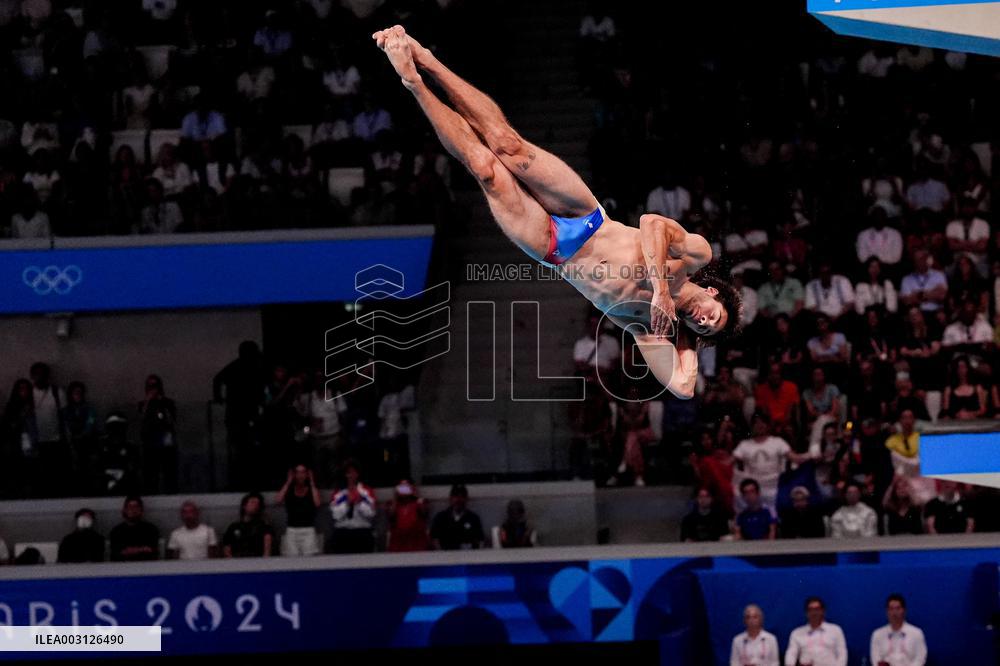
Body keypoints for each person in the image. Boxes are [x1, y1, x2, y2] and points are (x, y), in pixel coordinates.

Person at [373, 27, 741, 399]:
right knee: (505, 143)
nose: (706, 320)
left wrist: (689, 343)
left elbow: (683, 388)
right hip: (588, 217)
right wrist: (662, 289)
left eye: (707, 328)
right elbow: (652, 223)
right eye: (715, 314)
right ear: (713, 291)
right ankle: (428, 59)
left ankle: (413, 80)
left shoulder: (648, 327)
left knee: (484, 168)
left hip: (553, 249)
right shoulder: (696, 257)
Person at [732, 412, 809, 510]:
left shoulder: (778, 442)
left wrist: (812, 454)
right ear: (752, 426)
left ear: (767, 425)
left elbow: (795, 458)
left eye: (762, 422)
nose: (760, 425)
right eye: (756, 423)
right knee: (737, 494)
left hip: (775, 486)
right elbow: (729, 462)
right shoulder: (744, 444)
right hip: (754, 488)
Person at [138, 374, 178, 495]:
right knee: (150, 472)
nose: (152, 388)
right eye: (150, 386)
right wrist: (148, 400)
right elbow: (142, 416)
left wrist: (162, 401)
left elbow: (172, 419)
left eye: (154, 385)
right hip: (150, 441)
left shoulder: (168, 402)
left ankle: (171, 494)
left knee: (169, 472)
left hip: (166, 441)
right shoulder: (143, 403)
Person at [329, 461, 376, 554]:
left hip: (363, 533)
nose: (351, 475)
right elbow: (335, 516)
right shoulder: (338, 493)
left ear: (358, 474)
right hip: (342, 534)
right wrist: (347, 503)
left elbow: (371, 514)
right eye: (348, 473)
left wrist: (359, 502)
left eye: (353, 472)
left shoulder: (367, 491)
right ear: (345, 475)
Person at [784, 597, 848, 666]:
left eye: (817, 609)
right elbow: (791, 653)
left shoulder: (835, 630)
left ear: (823, 611)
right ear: (806, 613)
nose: (814, 613)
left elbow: (842, 653)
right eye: (810, 610)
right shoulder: (796, 633)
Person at [869, 593, 928, 666]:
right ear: (887, 611)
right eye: (891, 609)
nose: (894, 613)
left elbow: (920, 659)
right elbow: (875, 660)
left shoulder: (916, 633)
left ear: (904, 610)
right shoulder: (877, 634)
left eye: (898, 608)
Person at [276, 464, 321, 556]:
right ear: (294, 474)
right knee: (292, 560)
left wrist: (312, 482)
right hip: (292, 529)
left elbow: (317, 503)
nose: (300, 475)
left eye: (303, 472)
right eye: (298, 472)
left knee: (310, 560)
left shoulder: (312, 490)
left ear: (307, 474)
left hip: (308, 529)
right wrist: (288, 482)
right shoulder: (289, 490)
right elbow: (278, 500)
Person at [430, 484, 485, 550]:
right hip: (445, 556)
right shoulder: (441, 517)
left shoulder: (473, 518)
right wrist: (441, 554)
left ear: (466, 499)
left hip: (468, 556)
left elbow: (480, 540)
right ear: (450, 498)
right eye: (455, 496)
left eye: (462, 496)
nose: (458, 499)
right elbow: (434, 539)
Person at [223, 492, 274, 558]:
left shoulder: (265, 527)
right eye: (252, 503)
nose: (255, 506)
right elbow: (227, 549)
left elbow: (267, 552)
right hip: (236, 563)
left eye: (258, 504)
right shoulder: (233, 527)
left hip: (257, 562)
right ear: (244, 506)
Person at [109, 496, 160, 562]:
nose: (133, 509)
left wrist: (129, 550)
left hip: (146, 567)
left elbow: (151, 551)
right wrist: (141, 549)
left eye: (136, 507)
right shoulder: (116, 531)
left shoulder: (151, 529)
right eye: (129, 506)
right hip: (122, 567)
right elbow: (117, 553)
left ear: (141, 510)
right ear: (124, 510)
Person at [386, 479, 430, 552]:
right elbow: (390, 515)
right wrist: (395, 498)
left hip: (416, 538)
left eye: (406, 487)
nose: (404, 490)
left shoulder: (420, 501)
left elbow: (424, 513)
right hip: (399, 540)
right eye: (401, 487)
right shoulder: (392, 503)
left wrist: (415, 495)